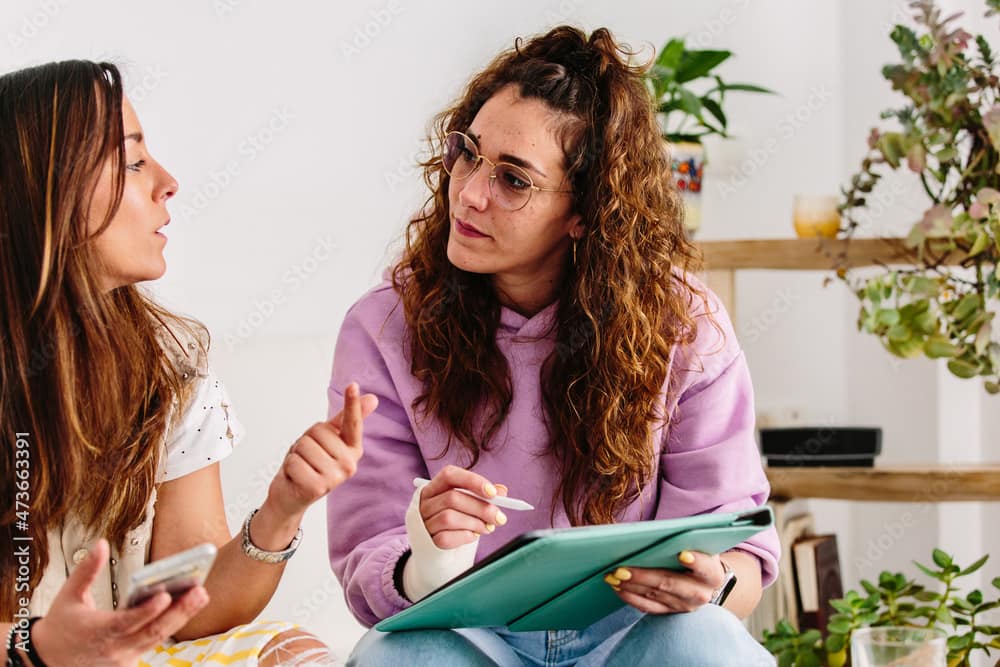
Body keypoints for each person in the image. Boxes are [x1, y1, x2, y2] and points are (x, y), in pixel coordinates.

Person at [326, 26, 779, 666]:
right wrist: (424, 555)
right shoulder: (383, 326)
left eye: (514, 180)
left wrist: (714, 581)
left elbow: (741, 559)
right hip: (471, 638)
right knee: (398, 657)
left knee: (703, 640)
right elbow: (367, 558)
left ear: (587, 211)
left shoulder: (684, 324)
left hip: (634, 634)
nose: (470, 191)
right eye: (468, 154)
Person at [0, 60, 377, 666]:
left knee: (295, 652)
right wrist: (38, 648)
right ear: (44, 189)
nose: (168, 182)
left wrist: (282, 508)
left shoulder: (173, 369)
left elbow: (194, 612)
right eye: (132, 161)